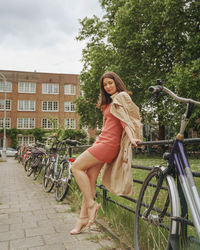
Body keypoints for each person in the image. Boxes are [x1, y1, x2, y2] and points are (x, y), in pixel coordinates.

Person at [70, 72, 143, 235]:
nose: (108, 86)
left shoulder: (121, 97)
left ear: (117, 82)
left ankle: (91, 205)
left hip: (108, 145)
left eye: (110, 83)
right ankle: (82, 219)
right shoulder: (108, 103)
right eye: (105, 85)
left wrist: (132, 139)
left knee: (76, 167)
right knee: (89, 179)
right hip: (102, 142)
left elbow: (125, 122)